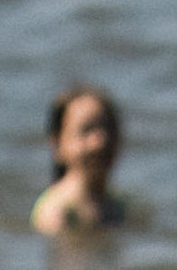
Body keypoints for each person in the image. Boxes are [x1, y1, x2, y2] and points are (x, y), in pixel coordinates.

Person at [32, 87, 126, 237]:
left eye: (108, 128)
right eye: (86, 130)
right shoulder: (56, 212)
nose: (100, 142)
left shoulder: (118, 207)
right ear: (57, 144)